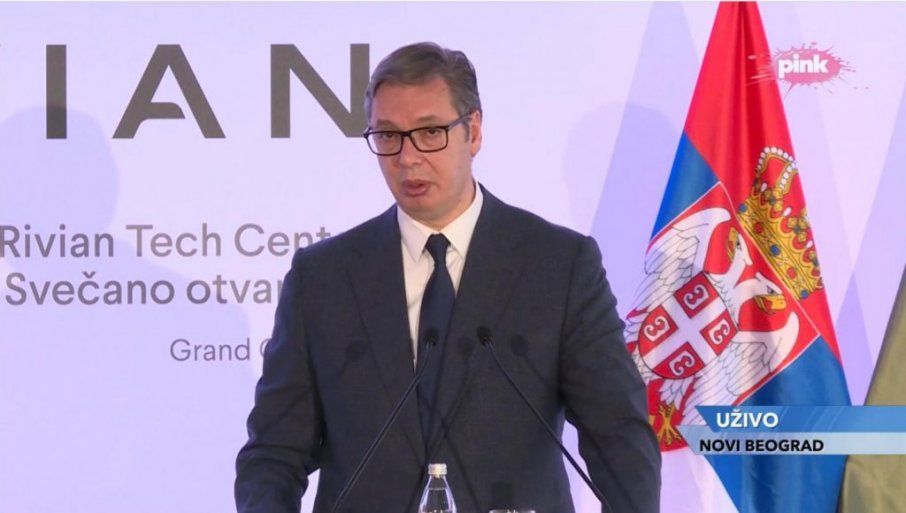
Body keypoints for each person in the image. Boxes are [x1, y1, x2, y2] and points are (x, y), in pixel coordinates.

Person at [235, 41, 660, 513]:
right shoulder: (322, 278)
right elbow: (273, 455)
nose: (407, 157)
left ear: (473, 132)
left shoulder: (559, 265)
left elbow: (618, 435)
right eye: (388, 136)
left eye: (430, 132)